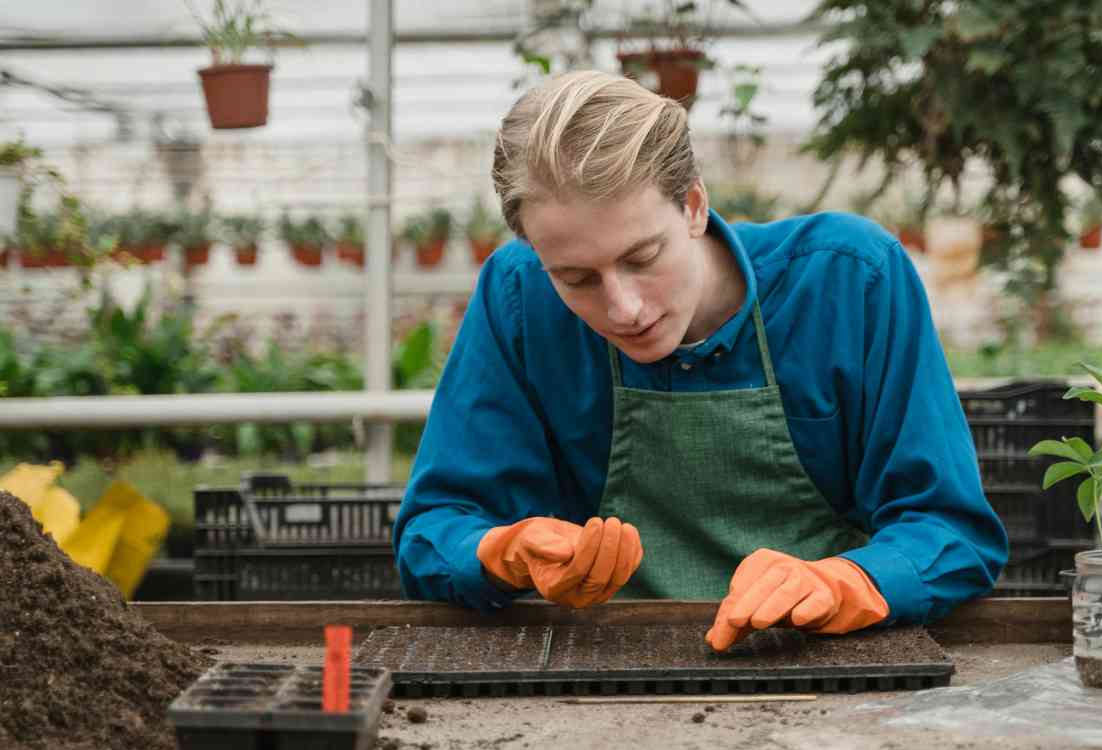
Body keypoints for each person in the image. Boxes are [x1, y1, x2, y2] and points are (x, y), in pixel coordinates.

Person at [393, 70, 1008, 651]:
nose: (625, 308)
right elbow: (435, 529)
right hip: (605, 667)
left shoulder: (849, 280)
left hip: (819, 666)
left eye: (642, 257)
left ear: (691, 205)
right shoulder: (518, 296)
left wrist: (848, 581)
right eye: (577, 278)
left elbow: (950, 529)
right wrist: (502, 551)